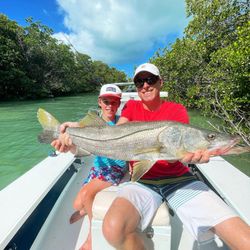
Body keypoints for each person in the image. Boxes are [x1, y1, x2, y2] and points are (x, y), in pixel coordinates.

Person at [53, 64, 250, 250]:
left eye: (150, 79)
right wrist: (76, 129)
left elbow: (180, 152)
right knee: (112, 230)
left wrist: (190, 156)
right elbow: (115, 133)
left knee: (244, 239)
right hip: (142, 182)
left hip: (179, 180)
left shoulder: (177, 110)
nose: (145, 85)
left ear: (160, 81)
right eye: (140, 82)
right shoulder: (130, 107)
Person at [53, 84, 128, 250]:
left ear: (119, 104)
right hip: (98, 167)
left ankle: (91, 238)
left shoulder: (122, 123)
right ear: (99, 102)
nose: (110, 105)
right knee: (77, 205)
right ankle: (86, 209)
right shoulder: (92, 121)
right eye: (106, 101)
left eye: (114, 102)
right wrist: (66, 140)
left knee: (87, 194)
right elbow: (77, 137)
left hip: (115, 168)